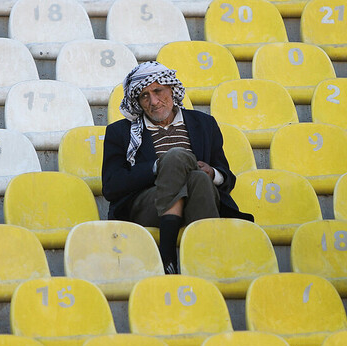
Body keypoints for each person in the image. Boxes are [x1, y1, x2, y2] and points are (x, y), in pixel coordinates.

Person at [101, 61, 253, 274]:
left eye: (158, 91)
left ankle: (185, 259)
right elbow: (111, 186)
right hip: (147, 205)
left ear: (171, 89)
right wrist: (157, 167)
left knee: (199, 179)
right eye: (144, 96)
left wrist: (213, 173)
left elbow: (227, 176)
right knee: (174, 157)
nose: (153, 101)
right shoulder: (120, 132)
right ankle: (189, 257)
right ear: (138, 101)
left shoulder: (204, 124)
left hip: (200, 196)